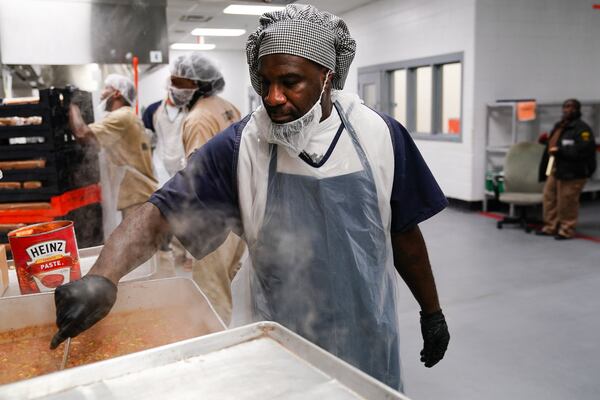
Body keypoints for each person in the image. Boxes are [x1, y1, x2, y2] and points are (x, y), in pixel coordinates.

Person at [51, 5, 450, 392]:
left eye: (290, 82)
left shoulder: (380, 136)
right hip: (280, 338)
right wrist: (103, 277)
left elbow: (403, 232)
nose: (272, 97)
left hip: (368, 332)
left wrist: (431, 312)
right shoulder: (243, 145)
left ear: (328, 77)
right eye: (265, 82)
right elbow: (160, 212)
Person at [69, 74, 157, 221]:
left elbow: (83, 134)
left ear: (117, 93)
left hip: (138, 200)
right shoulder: (129, 116)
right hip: (141, 198)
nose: (102, 93)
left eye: (106, 88)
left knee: (136, 243)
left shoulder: (121, 116)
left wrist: (71, 106)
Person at [536, 99, 596, 240]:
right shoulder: (560, 126)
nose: (567, 110)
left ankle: (566, 230)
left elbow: (584, 150)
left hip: (573, 171)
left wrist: (561, 151)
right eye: (565, 107)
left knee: (567, 201)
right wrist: (546, 141)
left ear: (577, 110)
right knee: (549, 197)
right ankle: (550, 227)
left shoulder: (582, 129)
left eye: (571, 107)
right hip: (554, 166)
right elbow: (554, 143)